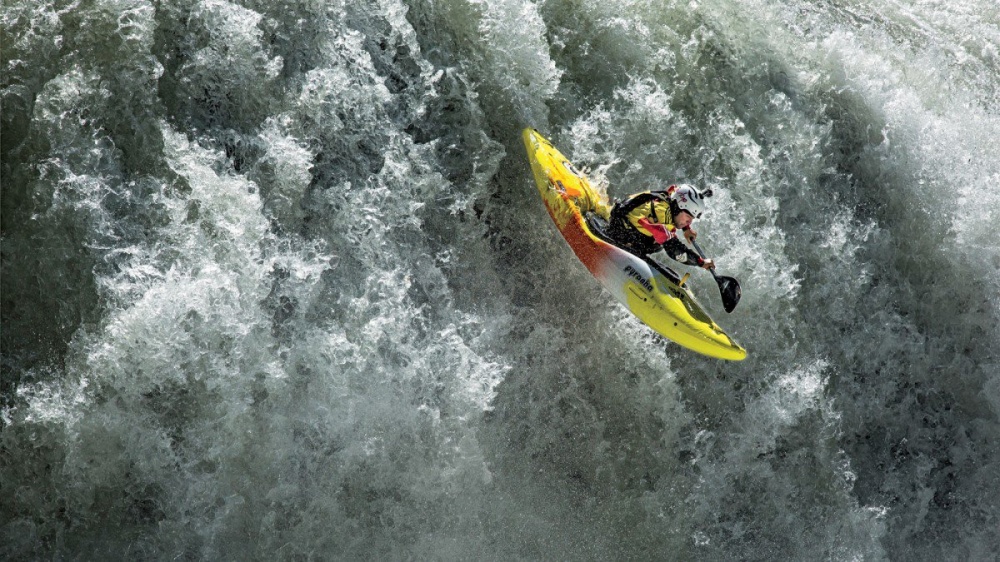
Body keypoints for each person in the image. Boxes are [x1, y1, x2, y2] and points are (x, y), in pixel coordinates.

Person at [606, 184, 716, 270]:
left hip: (623, 214)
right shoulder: (661, 216)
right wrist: (701, 262)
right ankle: (626, 246)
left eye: (691, 219)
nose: (689, 222)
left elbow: (673, 189)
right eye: (688, 217)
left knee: (658, 242)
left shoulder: (669, 200)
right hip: (618, 231)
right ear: (678, 208)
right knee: (658, 244)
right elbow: (675, 250)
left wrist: (686, 228)